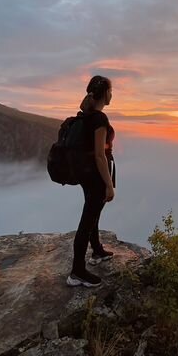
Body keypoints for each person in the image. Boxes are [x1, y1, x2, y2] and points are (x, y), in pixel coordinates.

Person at [66, 75, 116, 287]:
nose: (112, 95)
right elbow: (99, 155)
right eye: (110, 91)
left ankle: (96, 250)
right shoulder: (99, 119)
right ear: (104, 93)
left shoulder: (86, 116)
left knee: (93, 213)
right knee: (87, 220)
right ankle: (77, 271)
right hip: (95, 176)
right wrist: (109, 184)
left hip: (85, 175)